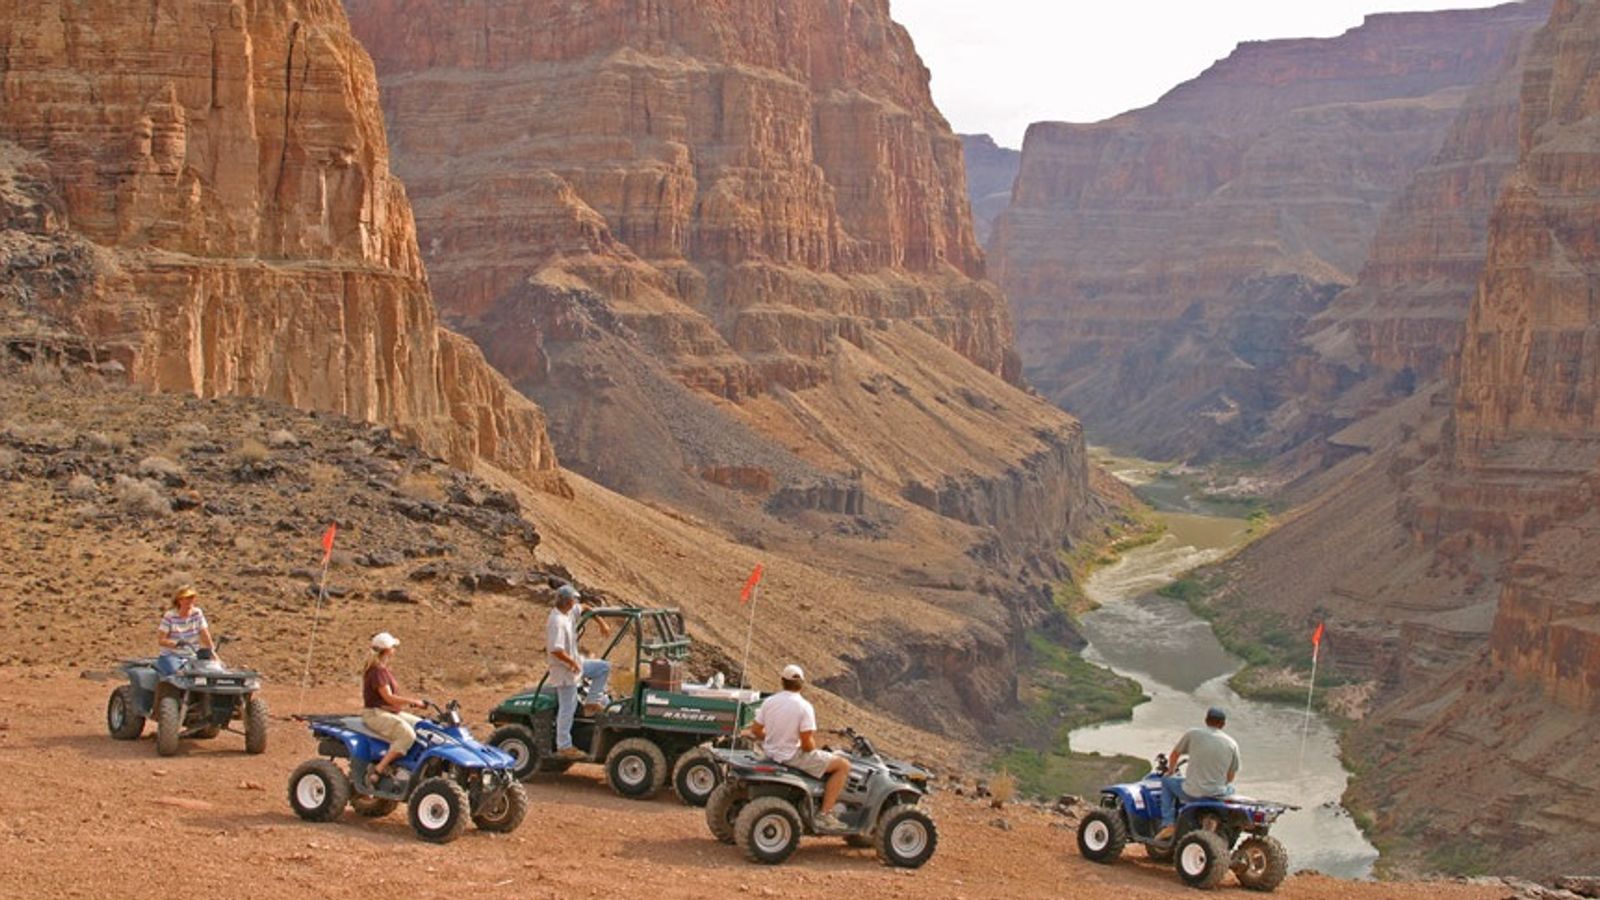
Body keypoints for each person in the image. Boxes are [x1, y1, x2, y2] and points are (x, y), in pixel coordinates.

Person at [747, 664, 851, 831]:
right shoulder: (804, 706)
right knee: (843, 765)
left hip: (771, 752)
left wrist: (776, 738)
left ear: (782, 681)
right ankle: (825, 814)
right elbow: (807, 744)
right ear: (802, 683)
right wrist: (814, 747)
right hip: (791, 756)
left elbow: (755, 730)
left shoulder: (769, 702)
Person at [1155, 706, 1241, 842]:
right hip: (1217, 793)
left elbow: (1174, 754)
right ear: (1223, 724)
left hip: (1192, 792)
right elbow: (1230, 778)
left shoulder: (1193, 734)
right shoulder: (1232, 744)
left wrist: (1171, 771)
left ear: (1206, 720)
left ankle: (1168, 823)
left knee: (1166, 781)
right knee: (1231, 789)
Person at [547, 584, 611, 761]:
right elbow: (555, 650)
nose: (576, 602)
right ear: (567, 601)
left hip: (575, 664)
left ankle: (592, 701)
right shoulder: (557, 622)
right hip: (564, 670)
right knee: (568, 706)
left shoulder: (569, 613)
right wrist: (572, 662)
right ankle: (564, 746)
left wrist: (601, 623)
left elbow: (586, 607)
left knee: (603, 667)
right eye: (573, 599)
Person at [361, 632, 429, 787]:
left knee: (422, 726)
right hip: (375, 714)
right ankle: (379, 769)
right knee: (406, 734)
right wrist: (413, 701)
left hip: (389, 712)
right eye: (393, 647)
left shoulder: (382, 669)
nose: (395, 650)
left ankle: (411, 765)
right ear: (386, 650)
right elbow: (389, 698)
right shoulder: (377, 671)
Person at [156, 585, 214, 676]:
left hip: (192, 655)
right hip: (172, 655)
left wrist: (212, 653)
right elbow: (161, 640)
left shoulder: (197, 613)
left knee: (209, 672)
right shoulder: (170, 616)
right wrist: (175, 644)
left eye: (192, 597)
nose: (190, 601)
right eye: (186, 598)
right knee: (178, 675)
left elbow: (205, 634)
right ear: (179, 600)